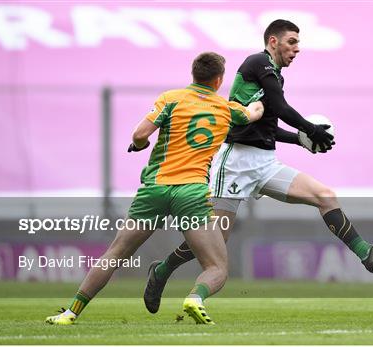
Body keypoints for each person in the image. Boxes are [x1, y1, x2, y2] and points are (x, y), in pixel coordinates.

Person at [143, 19, 373, 315]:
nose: (297, 48)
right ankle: (162, 270)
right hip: (236, 163)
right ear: (272, 42)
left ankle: (367, 255)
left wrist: (300, 138)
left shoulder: (275, 77)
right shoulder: (257, 63)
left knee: (325, 196)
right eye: (291, 41)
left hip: (265, 164)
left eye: (298, 42)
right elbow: (280, 108)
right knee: (214, 243)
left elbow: (268, 126)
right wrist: (309, 129)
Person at [45, 52, 264, 325]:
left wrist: (139, 146)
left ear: (193, 74)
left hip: (155, 190)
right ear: (219, 80)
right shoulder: (225, 108)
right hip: (191, 193)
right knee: (216, 266)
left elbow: (139, 135)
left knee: (116, 253)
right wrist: (260, 102)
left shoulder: (170, 98)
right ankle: (195, 298)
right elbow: (253, 113)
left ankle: (70, 312)